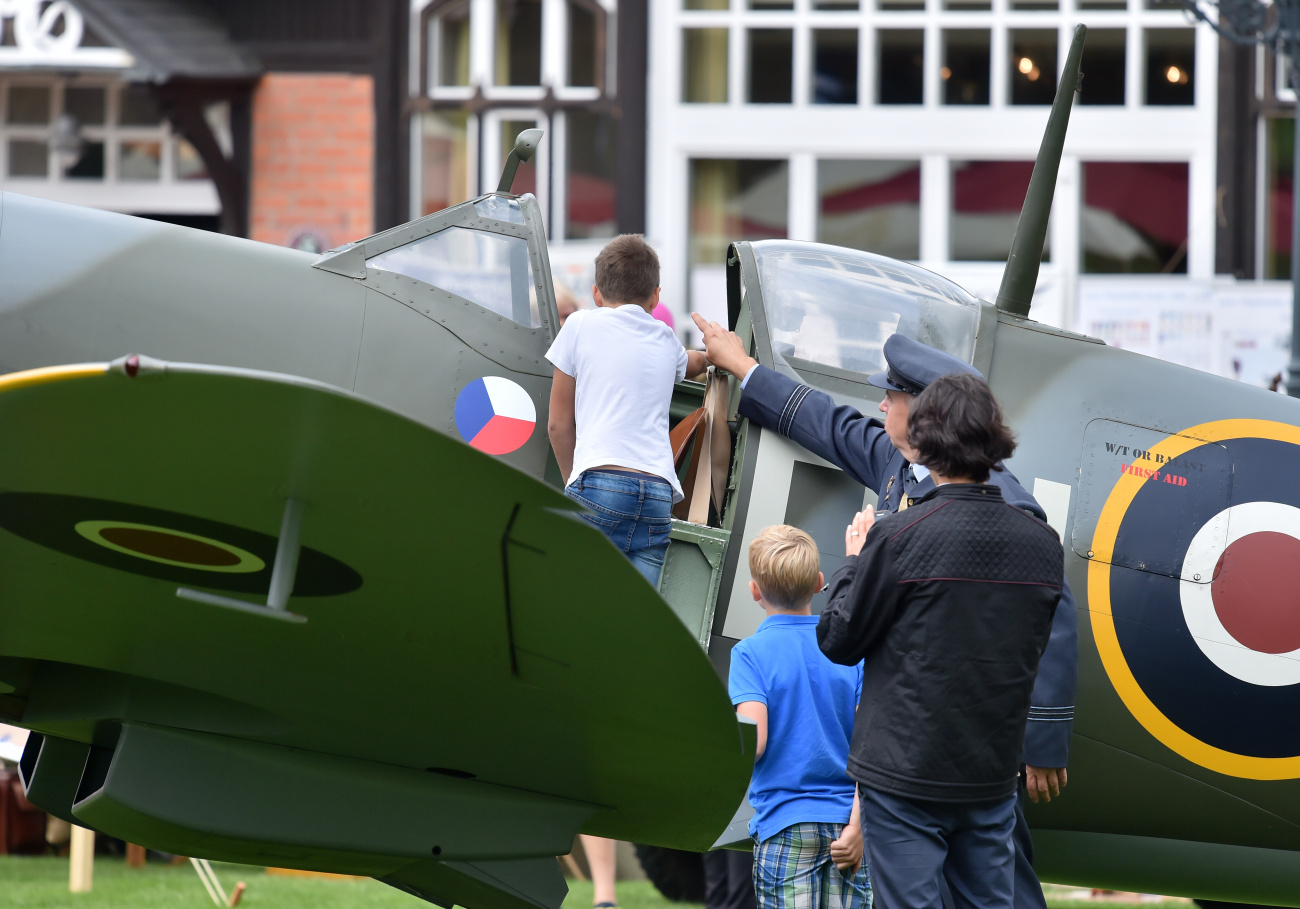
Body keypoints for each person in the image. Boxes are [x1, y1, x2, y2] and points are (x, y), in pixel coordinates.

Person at [691, 316, 1076, 909]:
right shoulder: (905, 467)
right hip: (959, 753)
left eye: (892, 395)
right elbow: (832, 425)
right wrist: (743, 368)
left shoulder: (1009, 505)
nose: (879, 403)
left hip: (951, 749)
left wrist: (1044, 736)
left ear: (928, 414)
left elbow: (1052, 610)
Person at [821, 373, 1064, 909]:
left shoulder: (898, 537)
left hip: (903, 775)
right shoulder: (1043, 545)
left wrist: (852, 564)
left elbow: (839, 639)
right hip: (990, 774)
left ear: (926, 442)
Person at [547, 234, 708, 586]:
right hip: (656, 495)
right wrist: (714, 354)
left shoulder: (578, 325)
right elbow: (693, 362)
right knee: (635, 621)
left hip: (600, 482)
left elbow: (558, 425)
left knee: (577, 605)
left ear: (595, 294)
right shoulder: (665, 339)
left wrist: (573, 484)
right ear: (656, 297)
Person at [729, 525, 871, 909]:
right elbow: (870, 747)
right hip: (850, 828)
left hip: (784, 825)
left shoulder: (749, 655)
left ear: (755, 591)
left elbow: (753, 744)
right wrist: (858, 827)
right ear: (820, 583)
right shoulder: (851, 652)